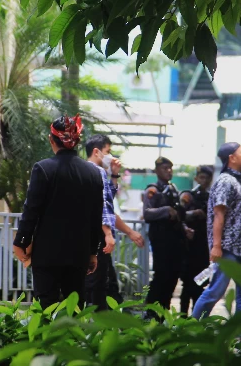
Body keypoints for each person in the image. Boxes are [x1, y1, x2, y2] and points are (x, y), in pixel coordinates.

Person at [12, 115, 103, 310]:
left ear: (51, 139)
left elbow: (31, 211)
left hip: (47, 254)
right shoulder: (94, 173)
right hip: (79, 254)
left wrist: (21, 242)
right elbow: (96, 217)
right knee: (75, 308)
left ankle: (47, 341)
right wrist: (93, 252)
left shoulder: (43, 169)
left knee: (46, 308)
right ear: (77, 141)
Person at [192, 142, 241, 342]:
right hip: (228, 247)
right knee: (215, 292)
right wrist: (217, 246)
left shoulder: (238, 181)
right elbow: (219, 215)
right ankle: (191, 330)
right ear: (232, 158)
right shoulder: (225, 181)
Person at [84, 134, 145, 310]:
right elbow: (105, 207)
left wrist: (115, 174)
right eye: (108, 152)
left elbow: (107, 200)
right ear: (96, 152)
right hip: (98, 238)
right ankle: (99, 325)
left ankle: (111, 322)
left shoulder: (86, 171)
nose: (111, 156)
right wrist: (109, 234)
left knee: (105, 284)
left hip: (88, 237)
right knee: (98, 285)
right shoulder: (98, 172)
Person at [143, 157, 193, 316]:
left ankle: (163, 312)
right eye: (165, 168)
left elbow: (178, 212)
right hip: (161, 240)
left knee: (173, 277)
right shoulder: (153, 190)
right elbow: (147, 213)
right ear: (157, 170)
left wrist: (185, 227)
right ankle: (151, 314)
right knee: (161, 277)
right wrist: (165, 210)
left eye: (170, 168)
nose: (169, 171)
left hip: (175, 240)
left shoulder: (172, 188)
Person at [179, 165, 213, 315]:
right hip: (188, 248)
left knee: (201, 284)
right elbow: (179, 215)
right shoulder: (188, 196)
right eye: (201, 177)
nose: (204, 181)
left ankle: (197, 317)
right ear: (196, 178)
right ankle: (183, 317)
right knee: (187, 285)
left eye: (207, 178)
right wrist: (194, 214)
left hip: (204, 248)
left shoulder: (212, 197)